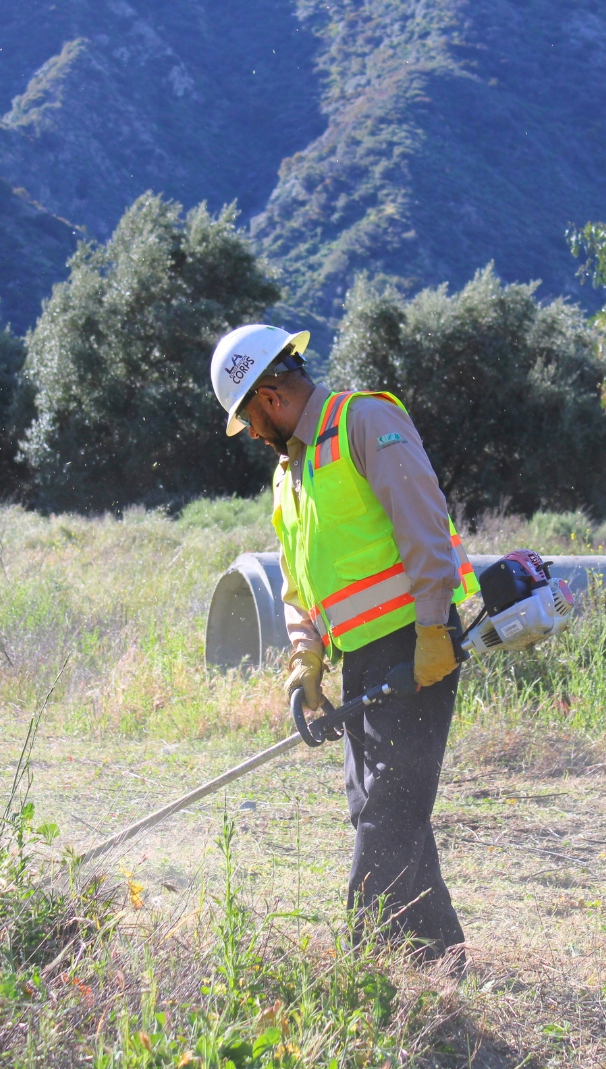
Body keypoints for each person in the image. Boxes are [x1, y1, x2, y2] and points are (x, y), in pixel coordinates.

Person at [210, 324, 479, 961]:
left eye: (248, 416)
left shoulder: (363, 422)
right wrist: (306, 656)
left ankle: (363, 964)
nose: (250, 432)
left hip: (415, 640)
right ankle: (438, 956)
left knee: (390, 806)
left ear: (271, 396)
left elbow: (425, 526)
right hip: (363, 655)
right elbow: (299, 578)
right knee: (375, 805)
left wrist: (436, 629)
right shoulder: (290, 472)